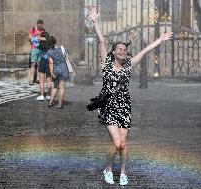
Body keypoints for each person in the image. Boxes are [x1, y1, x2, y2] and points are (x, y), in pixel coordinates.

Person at [88, 7, 172, 186]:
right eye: (119, 48)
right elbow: (101, 41)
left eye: (124, 49)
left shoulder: (128, 65)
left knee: (123, 144)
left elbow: (145, 50)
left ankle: (123, 172)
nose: (122, 51)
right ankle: (108, 169)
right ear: (113, 52)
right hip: (108, 106)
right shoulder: (106, 64)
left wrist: (160, 39)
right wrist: (95, 21)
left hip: (124, 106)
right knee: (117, 143)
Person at [47, 36, 73, 109]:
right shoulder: (62, 48)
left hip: (55, 70)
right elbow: (67, 58)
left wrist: (52, 72)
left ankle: (50, 103)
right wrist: (73, 65)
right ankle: (60, 105)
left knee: (55, 87)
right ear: (55, 42)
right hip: (64, 70)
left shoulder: (49, 52)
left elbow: (51, 62)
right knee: (61, 87)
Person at [36, 32, 52, 101]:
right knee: (49, 81)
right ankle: (49, 95)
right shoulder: (50, 45)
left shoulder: (40, 45)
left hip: (42, 61)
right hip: (49, 62)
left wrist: (39, 38)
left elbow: (34, 40)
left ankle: (42, 95)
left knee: (41, 81)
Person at [28, 19, 45, 85]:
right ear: (37, 24)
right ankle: (32, 79)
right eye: (39, 24)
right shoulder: (33, 29)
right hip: (34, 48)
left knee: (39, 64)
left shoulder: (43, 30)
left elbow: (45, 38)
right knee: (33, 64)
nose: (40, 25)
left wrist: (39, 38)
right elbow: (29, 37)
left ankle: (38, 79)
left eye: (41, 24)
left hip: (41, 49)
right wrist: (36, 36)